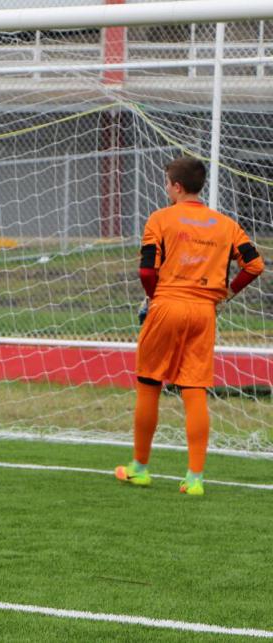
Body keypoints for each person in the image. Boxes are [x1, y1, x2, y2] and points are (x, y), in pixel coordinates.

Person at [115, 157, 263, 496]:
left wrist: (154, 298)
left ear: (177, 186)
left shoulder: (160, 219)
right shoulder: (225, 224)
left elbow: (147, 272)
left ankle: (139, 467)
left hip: (168, 304)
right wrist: (228, 291)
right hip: (204, 310)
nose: (166, 188)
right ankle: (195, 478)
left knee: (150, 382)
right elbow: (254, 264)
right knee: (194, 388)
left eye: (167, 182)